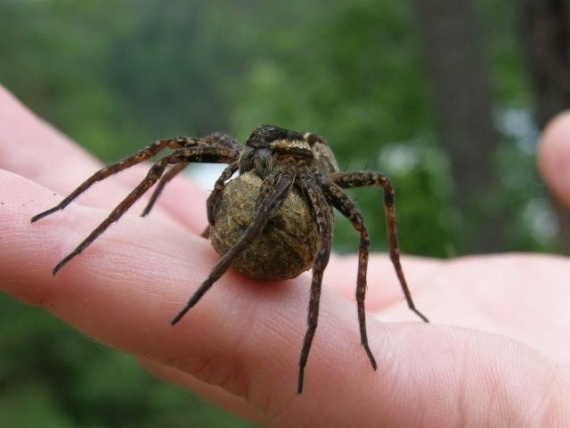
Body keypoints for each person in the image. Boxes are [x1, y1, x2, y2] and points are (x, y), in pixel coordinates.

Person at [0, 84, 568, 427]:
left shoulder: (307, 172)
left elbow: (354, 232)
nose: (265, 164)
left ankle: (328, 317)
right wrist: (223, 182)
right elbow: (186, 156)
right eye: (262, 153)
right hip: (272, 168)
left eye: (275, 156)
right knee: (163, 152)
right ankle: (91, 213)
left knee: (365, 219)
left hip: (319, 176)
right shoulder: (260, 154)